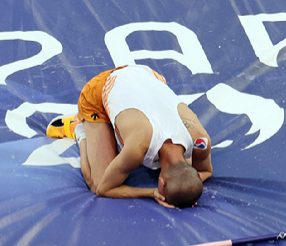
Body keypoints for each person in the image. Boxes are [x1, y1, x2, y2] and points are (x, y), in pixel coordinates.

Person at [46, 65, 212, 208]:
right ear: (161, 182)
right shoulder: (139, 147)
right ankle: (80, 129)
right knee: (96, 183)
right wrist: (152, 192)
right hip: (101, 88)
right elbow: (104, 189)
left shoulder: (200, 140)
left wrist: (188, 190)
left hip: (145, 75)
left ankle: (104, 128)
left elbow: (205, 171)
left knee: (182, 171)